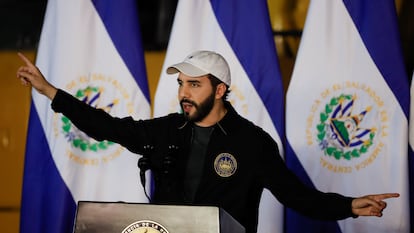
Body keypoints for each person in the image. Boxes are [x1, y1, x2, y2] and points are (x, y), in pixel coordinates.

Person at [17, 50, 399, 233]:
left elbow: (297, 196)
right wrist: (51, 91)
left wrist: (348, 205)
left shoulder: (253, 143)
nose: (184, 92)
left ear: (220, 90)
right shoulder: (165, 130)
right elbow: (107, 127)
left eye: (194, 84)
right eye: (181, 83)